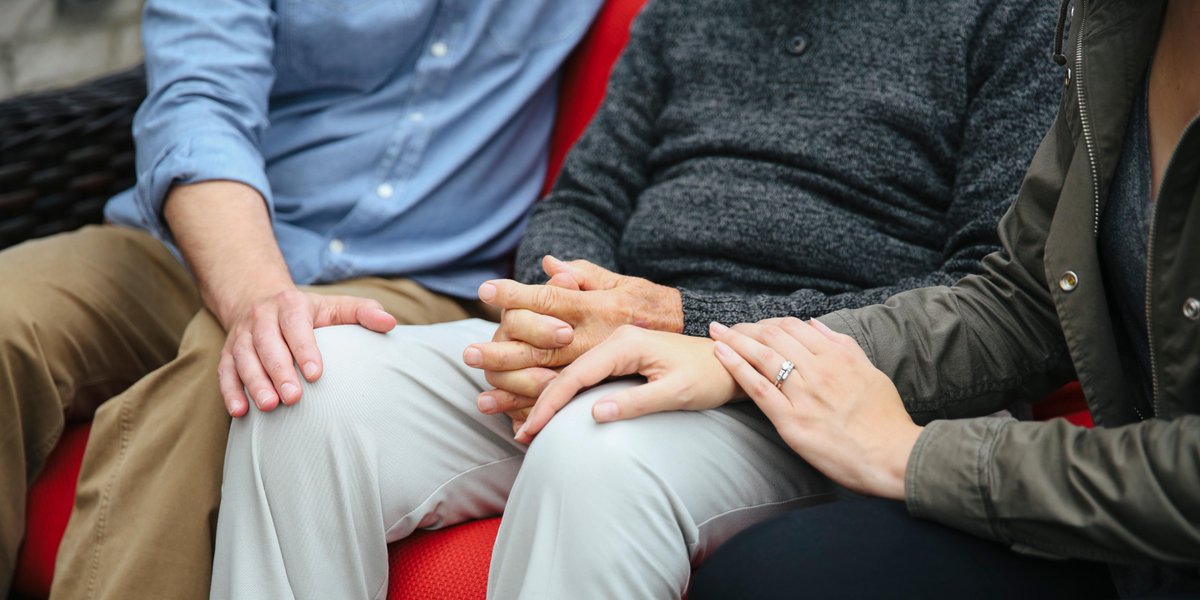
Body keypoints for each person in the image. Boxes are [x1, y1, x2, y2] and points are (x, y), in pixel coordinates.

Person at [209, 0, 1065, 597]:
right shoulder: (686, 10)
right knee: (311, 389)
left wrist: (684, 326)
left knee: (596, 449)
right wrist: (563, 309)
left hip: (817, 390)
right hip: (613, 345)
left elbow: (995, 304)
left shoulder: (1027, 15)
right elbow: (587, 193)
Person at [530, 0, 1200, 597]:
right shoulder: (1115, 23)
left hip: (863, 383)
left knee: (610, 463)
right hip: (685, 340)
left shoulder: (1021, 16)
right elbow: (1018, 300)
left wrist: (910, 453)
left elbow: (982, 285)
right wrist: (556, 318)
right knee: (431, 380)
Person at [0, 1, 603, 598]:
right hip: (201, 233)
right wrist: (259, 294)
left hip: (407, 276)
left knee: (248, 383)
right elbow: (198, 101)